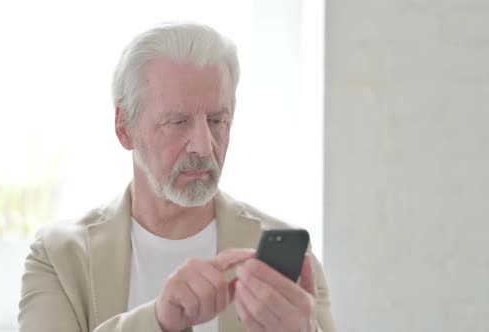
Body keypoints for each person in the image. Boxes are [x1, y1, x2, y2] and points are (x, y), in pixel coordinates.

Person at [18, 22, 335, 332]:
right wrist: (159, 320)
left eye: (216, 120)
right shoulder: (59, 256)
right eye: (178, 122)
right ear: (124, 128)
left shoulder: (290, 256)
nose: (203, 146)